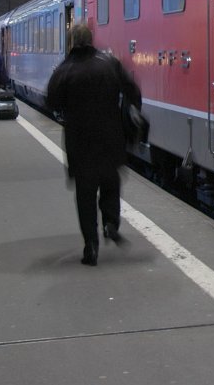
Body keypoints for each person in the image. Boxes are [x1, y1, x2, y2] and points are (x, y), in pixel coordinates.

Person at [46, 24, 142, 267]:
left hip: (80, 142)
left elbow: (52, 102)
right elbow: (133, 92)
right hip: (111, 138)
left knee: (85, 195)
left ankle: (91, 246)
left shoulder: (65, 70)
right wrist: (127, 112)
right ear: (91, 40)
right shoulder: (109, 63)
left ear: (71, 42)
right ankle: (111, 223)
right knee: (111, 183)